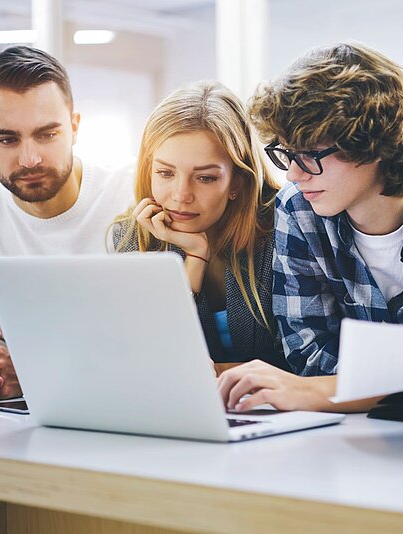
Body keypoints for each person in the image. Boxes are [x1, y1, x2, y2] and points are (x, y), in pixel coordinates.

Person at [216, 42, 403, 413]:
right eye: (287, 152)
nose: (294, 173)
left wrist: (334, 390)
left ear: (373, 142)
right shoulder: (298, 209)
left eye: (310, 154)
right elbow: (310, 357)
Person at [0, 45, 132, 399]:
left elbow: (148, 342)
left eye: (47, 135)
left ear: (74, 127)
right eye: (6, 139)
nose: (30, 159)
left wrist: (37, 369)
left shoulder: (131, 193)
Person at [109, 81, 287, 370]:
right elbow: (144, 359)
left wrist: (209, 373)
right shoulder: (134, 237)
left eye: (205, 178)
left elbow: (301, 363)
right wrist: (194, 261)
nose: (181, 196)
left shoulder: (283, 230)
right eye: (165, 173)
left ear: (237, 182)